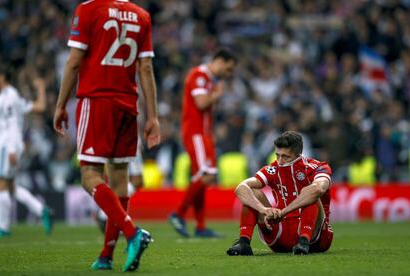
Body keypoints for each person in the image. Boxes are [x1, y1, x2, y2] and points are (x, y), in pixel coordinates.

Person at [53, 0, 160, 272]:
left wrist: (60, 104)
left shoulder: (88, 10)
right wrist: (153, 117)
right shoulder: (141, 16)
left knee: (89, 175)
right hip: (128, 104)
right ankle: (106, 255)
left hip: (97, 99)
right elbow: (145, 68)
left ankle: (133, 233)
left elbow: (75, 62)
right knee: (120, 181)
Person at [226, 131, 333, 255]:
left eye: (285, 156)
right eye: (277, 155)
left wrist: (284, 212)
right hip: (281, 233)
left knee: (311, 192)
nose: (280, 161)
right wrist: (263, 210)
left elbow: (318, 189)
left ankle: (303, 241)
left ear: (298, 154)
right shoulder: (273, 169)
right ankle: (243, 242)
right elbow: (241, 188)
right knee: (253, 192)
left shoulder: (317, 167)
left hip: (316, 238)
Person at [169, 49, 236, 238]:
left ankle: (200, 226)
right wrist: (216, 95)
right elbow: (201, 103)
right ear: (220, 62)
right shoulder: (199, 75)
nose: (228, 74)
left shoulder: (208, 79)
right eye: (228, 69)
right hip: (195, 133)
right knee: (205, 175)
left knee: (203, 176)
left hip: (203, 133)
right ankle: (178, 214)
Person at [0, 66, 53, 238]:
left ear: (2, 77)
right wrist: (41, 88)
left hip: (8, 145)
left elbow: (12, 125)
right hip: (11, 144)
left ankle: (3, 227)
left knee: (2, 184)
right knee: (11, 186)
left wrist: (12, 149)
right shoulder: (12, 96)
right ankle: (42, 210)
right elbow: (40, 106)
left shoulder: (8, 97)